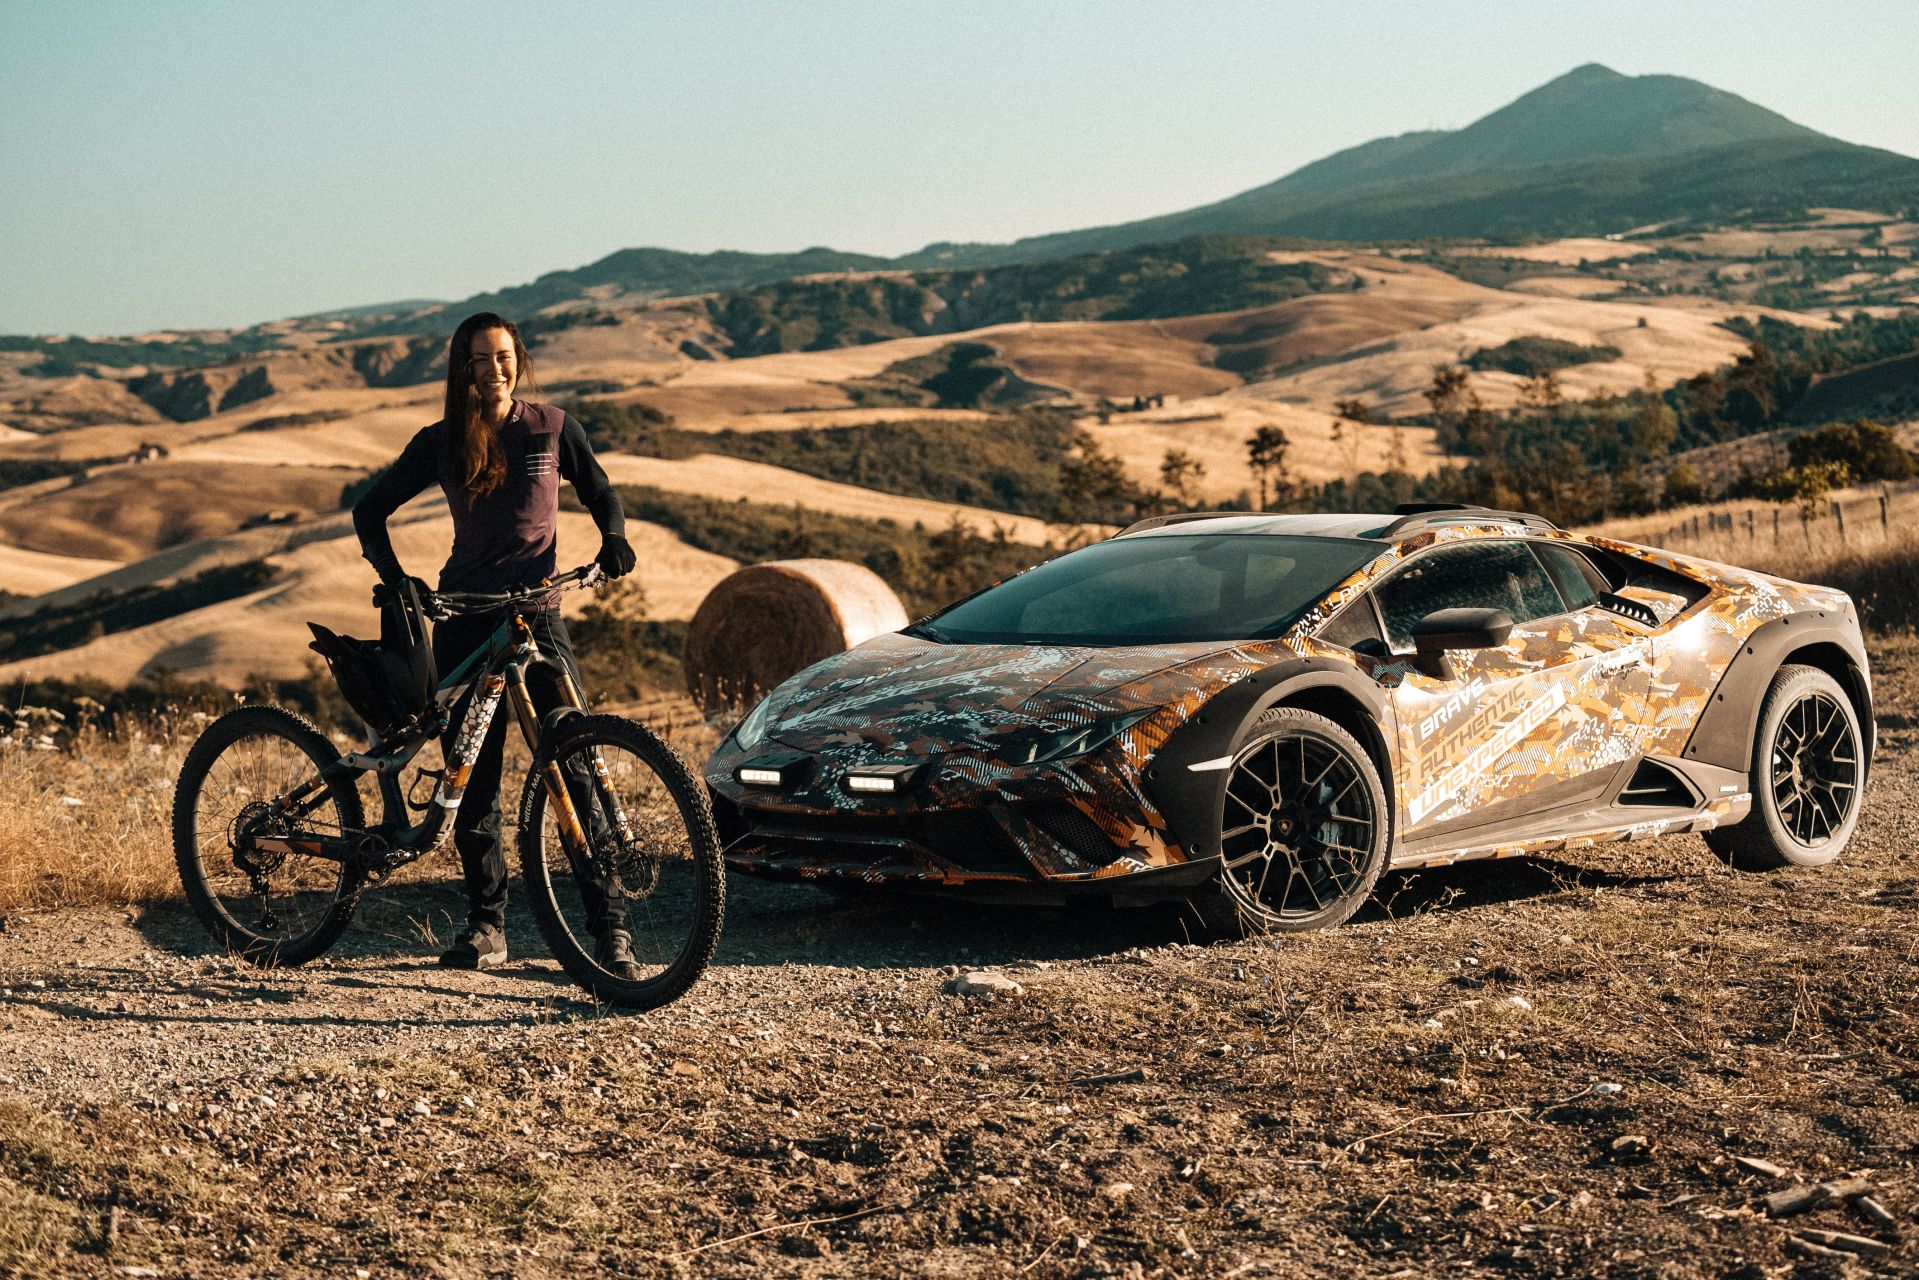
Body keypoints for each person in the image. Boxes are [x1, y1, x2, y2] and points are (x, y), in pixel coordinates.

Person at [352, 311, 639, 974]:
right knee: (470, 784)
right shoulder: (442, 440)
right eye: (479, 360)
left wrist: (615, 538)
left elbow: (598, 488)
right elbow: (370, 510)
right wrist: (399, 583)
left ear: (519, 359)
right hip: (463, 620)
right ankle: (486, 926)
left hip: (538, 619)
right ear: (462, 369)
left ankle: (611, 929)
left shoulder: (553, 426)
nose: (494, 369)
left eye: (503, 356)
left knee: (575, 765)